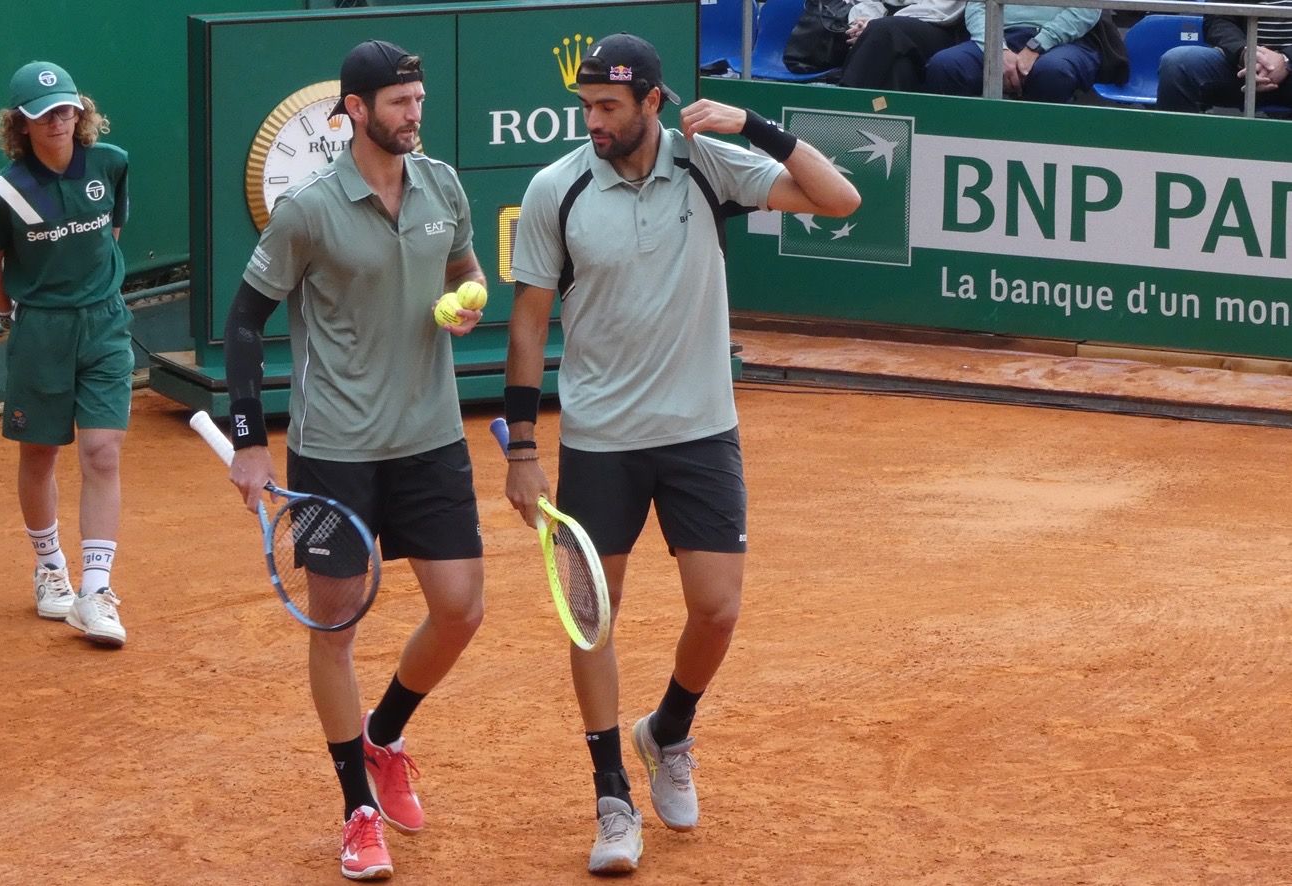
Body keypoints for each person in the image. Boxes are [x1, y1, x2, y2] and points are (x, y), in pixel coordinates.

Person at [502, 33, 860, 874]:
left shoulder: (708, 165)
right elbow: (526, 321)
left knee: (717, 607)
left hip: (700, 429)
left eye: (608, 108)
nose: (593, 121)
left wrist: (758, 125)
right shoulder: (558, 187)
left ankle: (666, 730)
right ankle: (610, 796)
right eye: (586, 106)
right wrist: (522, 445)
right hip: (598, 439)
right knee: (591, 618)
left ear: (652, 104)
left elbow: (838, 198)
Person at [220, 40, 487, 882]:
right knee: (336, 626)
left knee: (460, 610)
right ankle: (356, 810)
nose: (415, 114)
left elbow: (468, 271)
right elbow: (241, 324)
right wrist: (248, 442)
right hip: (335, 449)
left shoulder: (443, 186)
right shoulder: (307, 211)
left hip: (433, 436)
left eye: (418, 99)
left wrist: (467, 302)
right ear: (356, 110)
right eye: (399, 103)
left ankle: (384, 735)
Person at [0, 61, 133, 647]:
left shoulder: (110, 163)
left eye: (68, 109)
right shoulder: (3, 192)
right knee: (40, 454)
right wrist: (7, 313)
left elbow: (111, 228)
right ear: (22, 123)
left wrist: (96, 290)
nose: (60, 120)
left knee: (102, 452)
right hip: (39, 328)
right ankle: (50, 570)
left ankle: (95, 592)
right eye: (45, 114)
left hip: (106, 324)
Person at [925, 0, 1101, 102]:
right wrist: (998, 49)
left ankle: (1043, 149)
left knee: (1052, 72)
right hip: (998, 34)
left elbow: (1086, 10)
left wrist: (1037, 46)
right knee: (945, 66)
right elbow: (977, 7)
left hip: (1064, 42)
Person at [1157, 1, 1292, 112]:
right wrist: (1244, 52)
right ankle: (1178, 142)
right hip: (1241, 66)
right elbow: (1218, 19)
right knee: (1177, 64)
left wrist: (1286, 60)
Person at [838, 0, 968, 92]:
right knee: (900, 67)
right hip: (886, 24)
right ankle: (883, 126)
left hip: (938, 25)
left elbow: (942, 9)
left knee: (883, 30)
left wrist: (876, 25)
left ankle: (842, 108)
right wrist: (865, 21)